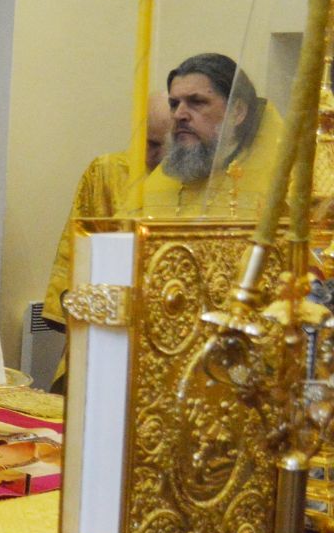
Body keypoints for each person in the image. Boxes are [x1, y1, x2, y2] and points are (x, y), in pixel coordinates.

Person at [42, 92, 171, 328]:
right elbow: (75, 251)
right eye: (147, 142)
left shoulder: (198, 183)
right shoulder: (106, 172)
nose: (151, 155)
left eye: (160, 145)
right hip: (108, 317)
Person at [119, 52, 284, 217]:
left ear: (237, 112)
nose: (179, 114)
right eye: (174, 104)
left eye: (197, 102)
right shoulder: (159, 183)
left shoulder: (280, 180)